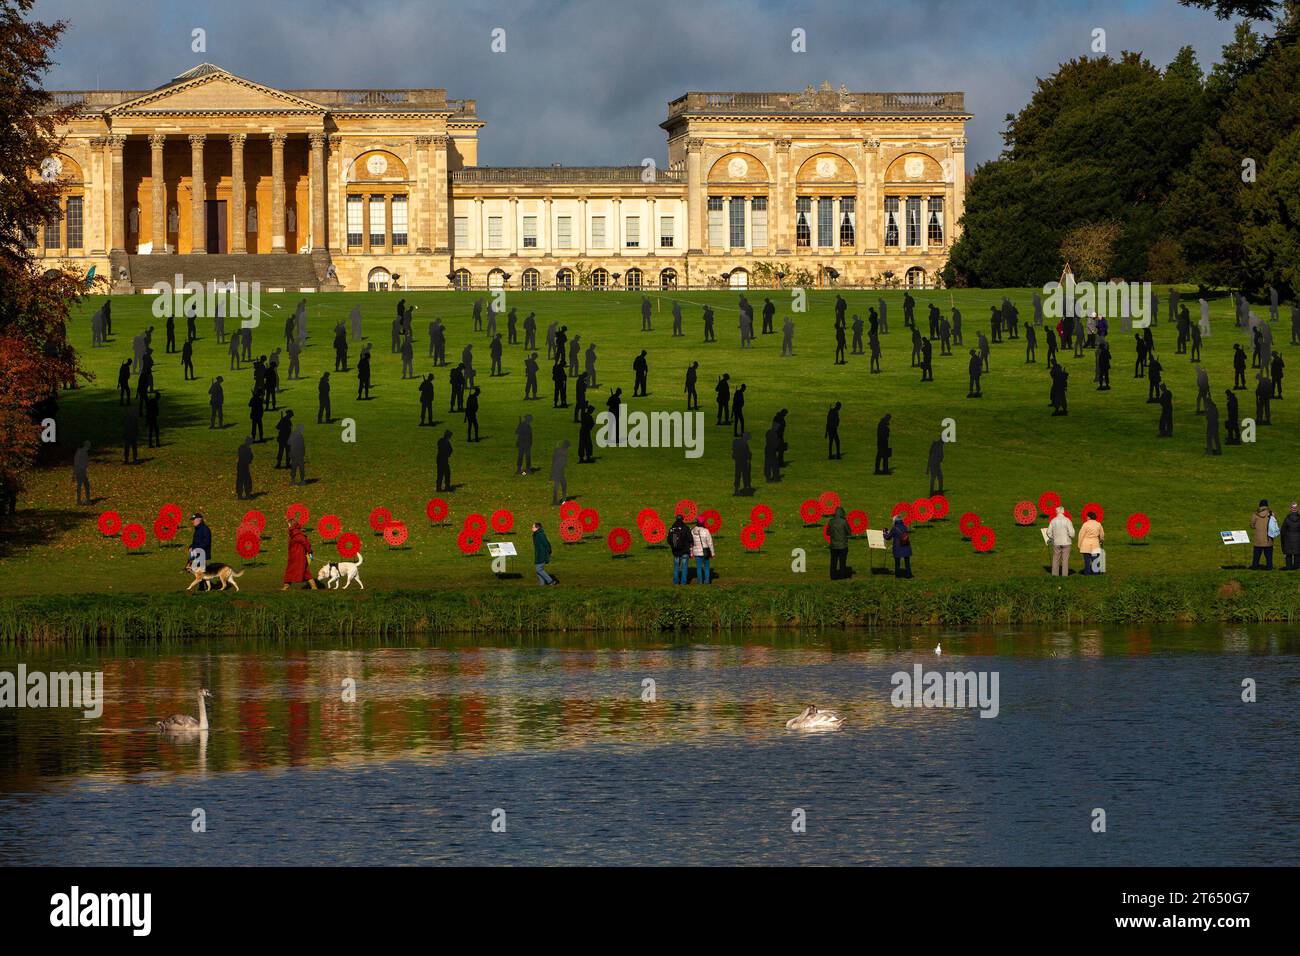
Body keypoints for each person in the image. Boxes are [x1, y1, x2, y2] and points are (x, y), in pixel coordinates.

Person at [281, 519, 318, 590]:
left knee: (303, 572)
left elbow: (306, 543)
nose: (288, 526)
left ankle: (314, 587)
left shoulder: (297, 534)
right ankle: (286, 586)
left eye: (288, 524)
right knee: (294, 571)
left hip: (299, 557)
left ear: (292, 525)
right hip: (294, 557)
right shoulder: (293, 534)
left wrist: (310, 552)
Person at [1047, 506, 1074, 576]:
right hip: (1066, 542)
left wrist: (1052, 537)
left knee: (1055, 559)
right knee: (1065, 560)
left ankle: (1054, 574)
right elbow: (1072, 532)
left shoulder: (1053, 520)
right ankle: (1065, 574)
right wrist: (1071, 537)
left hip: (1056, 542)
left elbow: (1048, 532)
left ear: (1056, 512)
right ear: (1063, 511)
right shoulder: (1067, 520)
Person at [883, 513, 912, 578]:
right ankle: (909, 574)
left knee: (897, 562)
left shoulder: (894, 528)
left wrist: (884, 533)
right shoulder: (905, 527)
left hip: (898, 548)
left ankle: (898, 574)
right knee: (907, 562)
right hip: (906, 546)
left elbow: (888, 537)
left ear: (895, 521)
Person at [1250, 499, 1276, 570]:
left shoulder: (1255, 514)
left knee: (1256, 556)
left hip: (1258, 539)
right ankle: (1269, 567)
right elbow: (1274, 524)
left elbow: (1252, 525)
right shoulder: (1271, 513)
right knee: (1269, 556)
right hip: (1268, 538)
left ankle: (1255, 567)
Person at [827, 505, 851, 580]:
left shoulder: (831, 521)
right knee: (842, 562)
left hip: (833, 546)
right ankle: (842, 575)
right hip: (843, 546)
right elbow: (849, 532)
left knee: (833, 561)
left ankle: (833, 576)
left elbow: (828, 532)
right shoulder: (844, 522)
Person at [1078, 509, 1104, 575]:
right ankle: (1095, 573)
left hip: (1085, 544)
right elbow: (1102, 534)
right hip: (1095, 544)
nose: (1086, 518)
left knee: (1087, 561)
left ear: (1089, 517)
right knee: (1095, 560)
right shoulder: (1098, 524)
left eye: (1087, 516)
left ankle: (1087, 573)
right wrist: (1101, 540)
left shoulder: (1085, 524)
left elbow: (1081, 535)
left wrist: (1079, 544)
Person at [668, 514, 692, 585]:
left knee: (676, 567)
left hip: (675, 551)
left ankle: (676, 581)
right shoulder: (686, 528)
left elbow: (669, 540)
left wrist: (673, 546)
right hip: (684, 551)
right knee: (684, 567)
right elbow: (690, 539)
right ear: (682, 519)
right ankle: (683, 582)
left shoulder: (672, 529)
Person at [532, 521, 558, 586]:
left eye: (533, 527)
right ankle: (542, 584)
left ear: (537, 528)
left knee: (539, 569)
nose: (532, 528)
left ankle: (551, 581)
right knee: (538, 570)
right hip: (538, 554)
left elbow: (547, 544)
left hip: (542, 555)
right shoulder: (536, 534)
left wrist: (549, 552)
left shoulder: (541, 534)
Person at [690, 517, 714, 584]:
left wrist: (691, 552)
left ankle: (699, 581)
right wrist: (712, 553)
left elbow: (691, 543)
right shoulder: (706, 531)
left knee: (699, 567)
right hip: (705, 551)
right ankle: (707, 581)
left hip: (697, 552)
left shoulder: (692, 531)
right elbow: (710, 543)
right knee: (706, 566)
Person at [1282, 503, 1300, 571]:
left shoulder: (1287, 519)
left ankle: (1289, 567)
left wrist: (1283, 541)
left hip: (1288, 540)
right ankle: (1296, 568)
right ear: (1297, 509)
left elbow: (1283, 531)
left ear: (1290, 509)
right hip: (1298, 540)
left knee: (1288, 555)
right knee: (1297, 555)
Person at [73, 440, 91, 505]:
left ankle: (81, 500)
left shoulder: (83, 452)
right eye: (89, 445)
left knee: (83, 485)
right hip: (80, 471)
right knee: (83, 485)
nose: (89, 446)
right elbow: (77, 463)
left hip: (81, 471)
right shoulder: (81, 452)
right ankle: (82, 500)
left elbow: (77, 462)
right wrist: (75, 473)